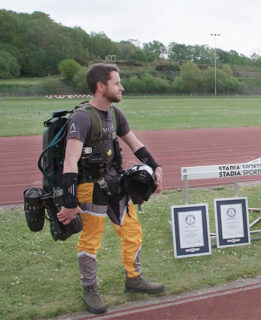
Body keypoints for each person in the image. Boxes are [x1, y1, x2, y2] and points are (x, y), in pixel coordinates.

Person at [56, 63, 164, 314]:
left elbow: (135, 144)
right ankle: (89, 288)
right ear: (100, 86)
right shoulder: (82, 118)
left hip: (116, 185)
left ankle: (134, 277)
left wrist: (155, 166)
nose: (122, 87)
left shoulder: (115, 114)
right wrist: (70, 203)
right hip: (89, 189)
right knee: (91, 240)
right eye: (117, 83)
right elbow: (71, 160)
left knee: (132, 230)